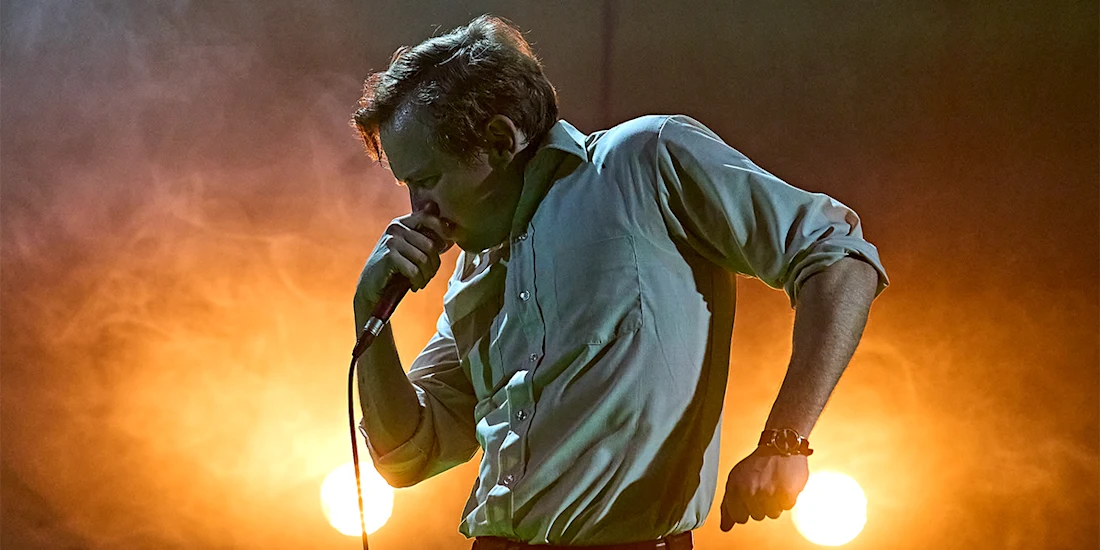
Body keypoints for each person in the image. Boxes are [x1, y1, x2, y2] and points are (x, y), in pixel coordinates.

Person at [350, 15, 888, 550]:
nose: (417, 209)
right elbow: (407, 455)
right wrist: (367, 310)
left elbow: (839, 259)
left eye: (426, 180)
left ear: (498, 141)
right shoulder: (475, 266)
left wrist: (785, 439)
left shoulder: (643, 160)